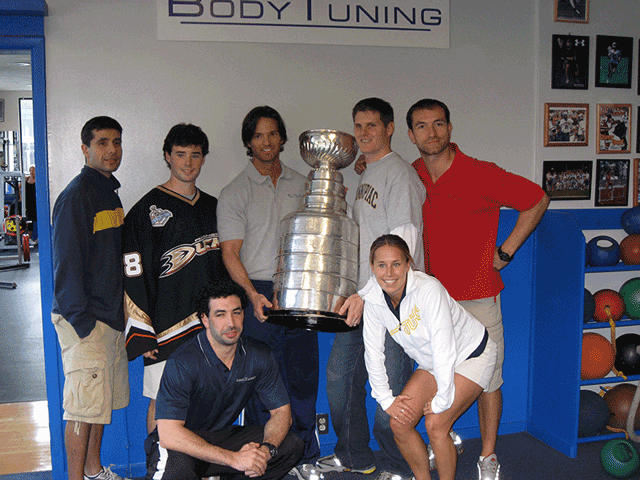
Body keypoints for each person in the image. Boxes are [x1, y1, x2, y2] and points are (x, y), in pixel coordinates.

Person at [407, 99, 549, 480]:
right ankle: (443, 438)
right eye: (422, 126)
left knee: (489, 379)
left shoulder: (481, 173)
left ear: (450, 129)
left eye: (438, 124)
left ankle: (488, 456)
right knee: (434, 372)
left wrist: (506, 251)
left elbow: (537, 200)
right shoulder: (411, 174)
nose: (431, 133)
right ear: (410, 134)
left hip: (478, 296)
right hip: (431, 301)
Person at [313, 98, 426, 480]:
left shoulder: (400, 175)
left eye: (372, 126)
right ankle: (353, 455)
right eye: (358, 126)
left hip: (393, 303)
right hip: (361, 299)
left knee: (391, 394)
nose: (363, 133)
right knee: (340, 380)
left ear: (390, 128)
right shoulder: (367, 173)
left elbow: (404, 244)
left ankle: (404, 465)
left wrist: (370, 293)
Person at [217, 106, 320, 466]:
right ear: (249, 141)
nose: (266, 142)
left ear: (282, 138)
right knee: (263, 384)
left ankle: (305, 456)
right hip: (256, 292)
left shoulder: (302, 183)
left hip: (299, 291)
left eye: (273, 134)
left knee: (304, 378)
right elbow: (230, 254)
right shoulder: (234, 191)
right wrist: (251, 294)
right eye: (258, 135)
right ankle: (268, 460)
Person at [361, 234, 497, 480]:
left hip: (473, 354)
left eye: (396, 264)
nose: (389, 272)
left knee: (436, 425)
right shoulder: (373, 301)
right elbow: (373, 352)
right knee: (399, 423)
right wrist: (385, 398)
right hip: (433, 362)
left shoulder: (428, 290)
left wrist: (442, 399)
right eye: (381, 265)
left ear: (408, 264)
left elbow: (444, 347)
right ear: (372, 267)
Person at [123, 123, 229, 434]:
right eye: (180, 154)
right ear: (167, 156)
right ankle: (158, 467)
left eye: (195, 155)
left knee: (210, 401)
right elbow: (132, 272)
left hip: (211, 326)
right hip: (165, 330)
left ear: (203, 159)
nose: (187, 162)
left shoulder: (215, 208)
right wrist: (142, 333)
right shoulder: (145, 211)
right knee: (163, 402)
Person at [144, 280, 304, 480]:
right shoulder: (183, 362)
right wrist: (234, 459)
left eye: (236, 312)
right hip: (182, 444)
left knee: (290, 445)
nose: (231, 323)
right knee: (176, 470)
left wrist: (265, 450)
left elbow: (282, 413)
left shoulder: (258, 355)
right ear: (205, 319)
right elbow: (169, 433)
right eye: (220, 314)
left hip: (221, 437)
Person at [51, 116, 130, 480]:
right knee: (82, 409)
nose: (111, 150)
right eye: (102, 142)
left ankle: (95, 472)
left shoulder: (109, 193)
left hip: (110, 318)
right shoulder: (76, 197)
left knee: (100, 404)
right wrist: (84, 325)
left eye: (116, 142)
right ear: (85, 149)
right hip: (85, 321)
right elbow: (65, 269)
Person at [25, 165, 37, 242]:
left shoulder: (38, 180)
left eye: (33, 170)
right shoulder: (27, 179)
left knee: (35, 218)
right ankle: (29, 238)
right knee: (30, 219)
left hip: (35, 201)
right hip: (28, 202)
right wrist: (20, 197)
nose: (32, 172)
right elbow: (19, 187)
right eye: (31, 171)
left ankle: (36, 237)